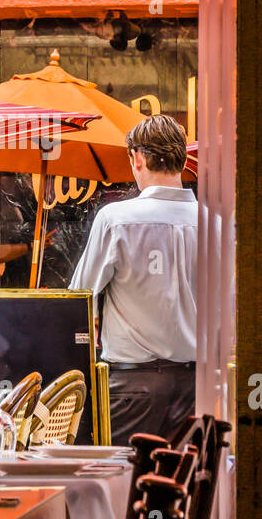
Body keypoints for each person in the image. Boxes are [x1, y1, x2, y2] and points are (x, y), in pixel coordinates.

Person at [69, 113, 197, 444]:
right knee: (185, 488)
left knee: (122, 487)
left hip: (132, 388)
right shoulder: (215, 225)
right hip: (198, 385)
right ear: (181, 160)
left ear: (137, 158)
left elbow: (79, 299)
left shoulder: (116, 220)